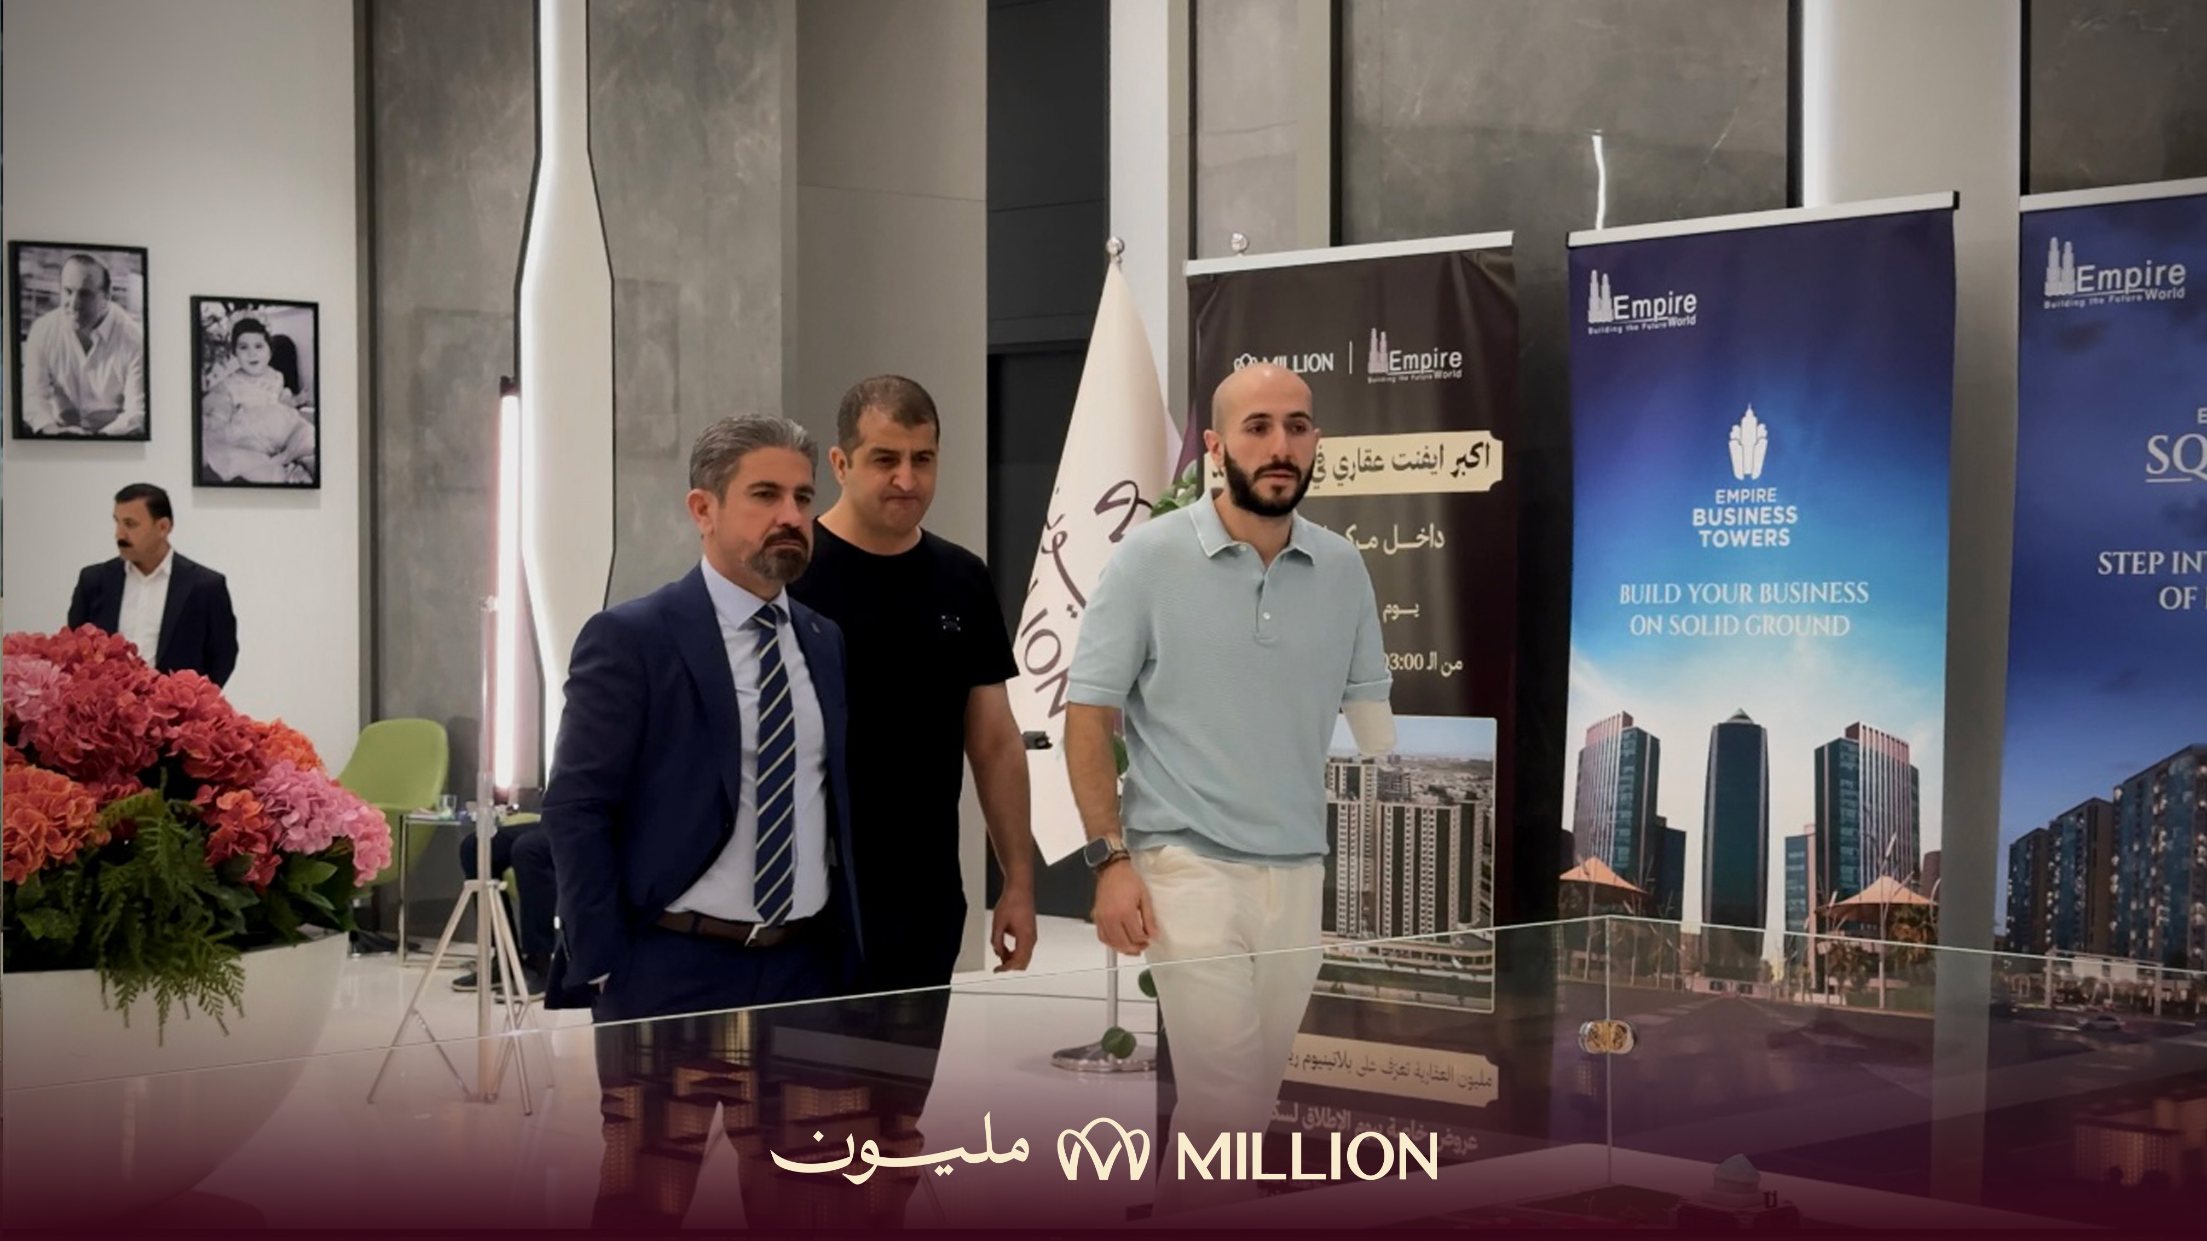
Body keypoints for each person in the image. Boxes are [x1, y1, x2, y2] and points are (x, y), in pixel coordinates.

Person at [1063, 362, 1394, 1214]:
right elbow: (1087, 716)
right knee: (1223, 1099)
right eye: (1257, 427)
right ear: (1215, 445)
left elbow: (1373, 725)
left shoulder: (1344, 567)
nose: (1280, 445)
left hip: (1298, 870)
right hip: (1185, 865)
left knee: (1250, 1100)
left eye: (1297, 426)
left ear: (1316, 441)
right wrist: (1109, 860)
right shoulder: (1148, 559)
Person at [539, 415, 866, 1230]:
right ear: (703, 507)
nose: (790, 515)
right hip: (671, 967)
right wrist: (606, 962)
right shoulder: (632, 637)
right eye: (764, 494)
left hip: (800, 972)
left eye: (802, 497)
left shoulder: (821, 639)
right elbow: (576, 805)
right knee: (643, 1205)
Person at [790, 374, 1038, 991]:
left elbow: (995, 743)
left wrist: (1018, 881)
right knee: (810, 1059)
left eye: (922, 459)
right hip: (807, 901)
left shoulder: (962, 578)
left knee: (909, 1058)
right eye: (885, 460)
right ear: (841, 464)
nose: (907, 479)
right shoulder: (792, 575)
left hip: (924, 898)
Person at [68, 483, 240, 685]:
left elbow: (222, 656)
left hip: (175, 703)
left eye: (130, 524)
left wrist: (193, 699)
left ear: (163, 527)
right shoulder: (94, 580)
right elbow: (75, 648)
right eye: (117, 522)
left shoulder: (205, 586)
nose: (119, 535)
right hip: (108, 702)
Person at [21, 253, 147, 436]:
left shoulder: (134, 338)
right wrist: (53, 431)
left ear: (107, 295)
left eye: (85, 294)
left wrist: (97, 440)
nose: (74, 304)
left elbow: (137, 412)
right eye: (68, 291)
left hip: (114, 440)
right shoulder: (42, 330)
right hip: (57, 435)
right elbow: (33, 396)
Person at [200, 317, 316, 484]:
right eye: (243, 347)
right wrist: (213, 422)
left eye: (258, 346)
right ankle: (287, 471)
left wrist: (298, 400)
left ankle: (293, 459)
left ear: (269, 350)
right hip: (250, 441)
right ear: (235, 353)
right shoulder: (230, 385)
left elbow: (282, 405)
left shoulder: (276, 376)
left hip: (280, 435)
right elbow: (219, 415)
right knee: (252, 465)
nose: (252, 353)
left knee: (307, 434)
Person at [448, 819, 554, 999]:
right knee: (475, 846)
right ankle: (505, 960)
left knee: (528, 848)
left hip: (593, 822)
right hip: (554, 818)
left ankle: (540, 963)